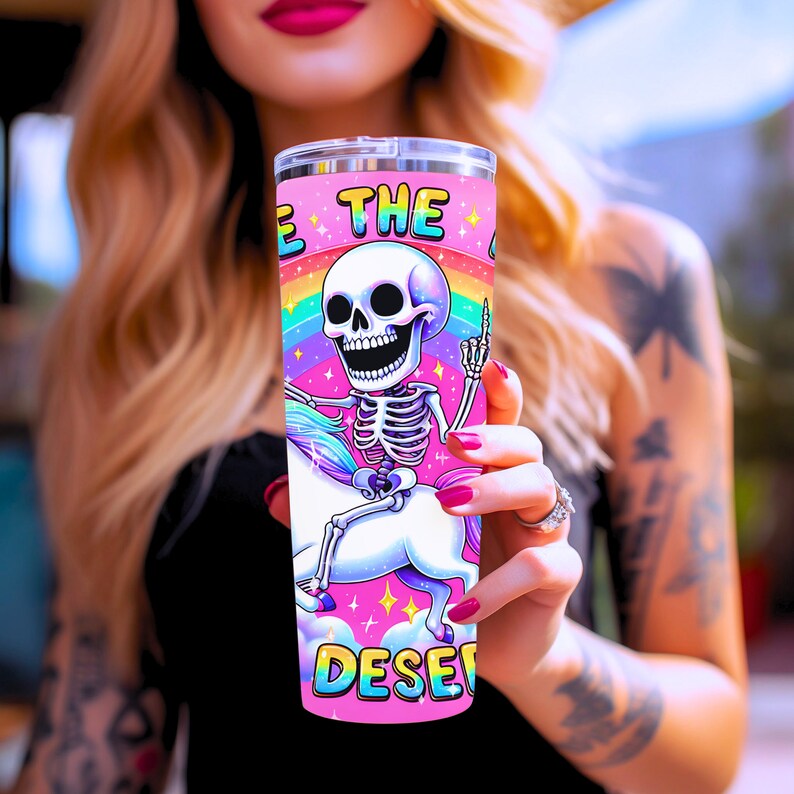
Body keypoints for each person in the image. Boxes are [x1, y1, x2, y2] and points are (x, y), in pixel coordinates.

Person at [11, 0, 748, 791]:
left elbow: (704, 764)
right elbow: (89, 758)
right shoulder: (131, 337)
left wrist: (549, 658)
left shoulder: (630, 280)